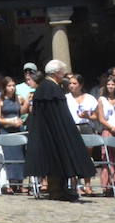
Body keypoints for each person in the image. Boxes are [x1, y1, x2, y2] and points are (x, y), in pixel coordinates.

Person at [25, 60, 97, 201]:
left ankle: (61, 189)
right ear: (57, 73)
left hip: (50, 132)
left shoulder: (46, 87)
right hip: (53, 133)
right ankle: (56, 190)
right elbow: (56, 114)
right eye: (63, 72)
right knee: (55, 161)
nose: (64, 75)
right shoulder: (50, 88)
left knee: (59, 161)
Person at [0, 75, 28, 194]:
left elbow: (22, 111)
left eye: (13, 85)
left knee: (20, 156)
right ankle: (10, 183)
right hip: (6, 130)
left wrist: (26, 103)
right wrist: (11, 121)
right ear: (4, 87)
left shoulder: (18, 98)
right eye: (9, 86)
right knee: (9, 157)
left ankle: (20, 182)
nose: (12, 88)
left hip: (17, 129)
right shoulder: (0, 100)